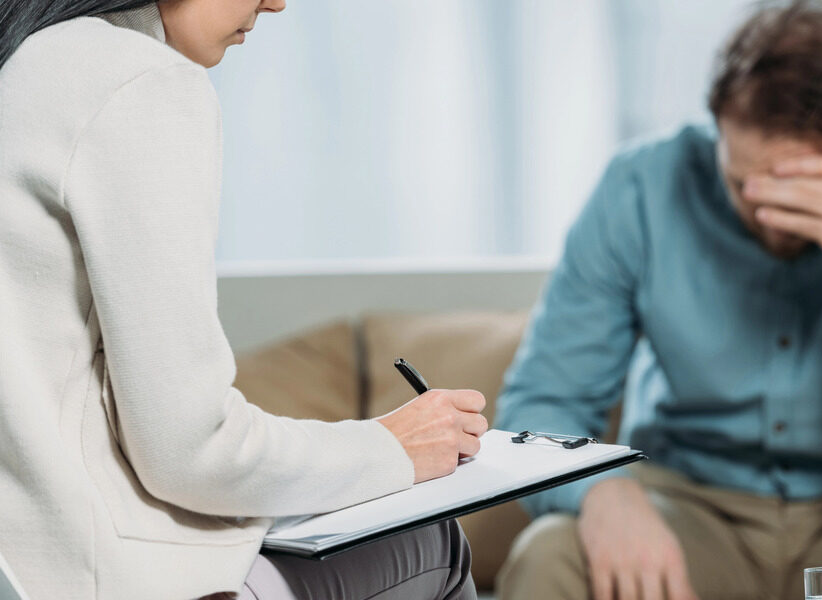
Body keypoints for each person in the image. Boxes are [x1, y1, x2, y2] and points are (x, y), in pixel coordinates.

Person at [495, 1, 822, 599]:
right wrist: (598, 490)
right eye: (745, 185)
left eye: (805, 187)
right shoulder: (638, 190)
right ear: (717, 126)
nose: (771, 215)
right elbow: (539, 406)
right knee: (552, 552)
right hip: (688, 512)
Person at [0, 1, 485, 598]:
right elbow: (191, 451)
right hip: (105, 580)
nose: (276, 0)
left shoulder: (25, 61)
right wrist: (391, 448)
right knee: (433, 540)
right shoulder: (138, 81)